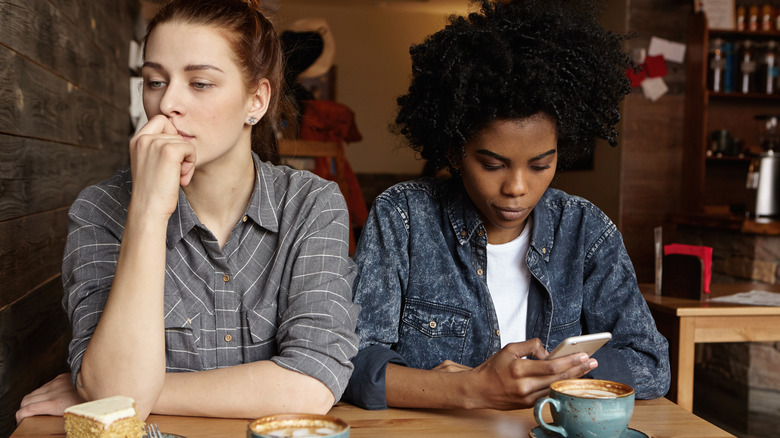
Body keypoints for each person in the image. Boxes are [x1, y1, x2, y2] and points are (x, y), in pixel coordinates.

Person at [16, 0, 359, 422]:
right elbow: (115, 391)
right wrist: (146, 209)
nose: (167, 103)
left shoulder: (312, 204)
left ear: (256, 100)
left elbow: (312, 383)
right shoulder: (100, 208)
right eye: (155, 81)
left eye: (199, 83)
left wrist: (128, 394)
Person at [343, 0, 670, 410]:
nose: (517, 187)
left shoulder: (586, 230)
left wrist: (549, 374)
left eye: (540, 165)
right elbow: (349, 361)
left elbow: (651, 364)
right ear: (454, 149)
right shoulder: (403, 219)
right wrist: (469, 390)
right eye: (492, 164)